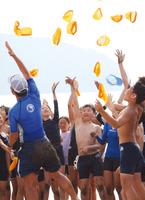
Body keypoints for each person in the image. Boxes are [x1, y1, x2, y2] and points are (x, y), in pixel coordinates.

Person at [5, 41, 78, 200]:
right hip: (44, 143)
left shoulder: (13, 111)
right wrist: (14, 56)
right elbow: (27, 74)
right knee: (57, 175)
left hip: (29, 148)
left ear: (12, 91)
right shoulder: (35, 95)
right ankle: (75, 198)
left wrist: (10, 146)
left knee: (30, 184)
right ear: (26, 86)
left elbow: (14, 136)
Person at [95, 51, 145, 199]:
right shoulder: (139, 106)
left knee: (127, 185)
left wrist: (101, 112)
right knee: (137, 183)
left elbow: (116, 124)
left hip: (128, 148)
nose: (126, 90)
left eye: (129, 90)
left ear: (134, 96)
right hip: (135, 148)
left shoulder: (130, 110)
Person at [65, 77, 107, 200]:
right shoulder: (78, 123)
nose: (86, 112)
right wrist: (73, 87)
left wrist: (89, 147)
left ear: (94, 114)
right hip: (82, 158)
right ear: (81, 114)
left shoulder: (96, 127)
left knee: (100, 186)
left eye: (89, 110)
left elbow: (99, 145)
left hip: (95, 157)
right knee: (83, 187)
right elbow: (75, 103)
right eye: (84, 111)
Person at [41, 82, 66, 200]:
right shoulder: (39, 124)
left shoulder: (55, 120)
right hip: (45, 153)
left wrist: (53, 93)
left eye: (47, 108)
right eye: (43, 108)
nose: (45, 109)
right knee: (46, 184)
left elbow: (56, 107)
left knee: (60, 182)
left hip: (58, 150)